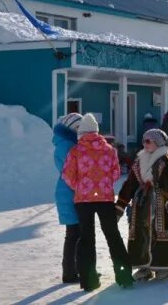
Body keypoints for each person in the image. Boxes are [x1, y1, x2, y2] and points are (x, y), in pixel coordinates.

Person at [62, 113, 133, 291]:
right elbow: (116, 173)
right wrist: (104, 184)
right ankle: (124, 276)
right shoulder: (109, 150)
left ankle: (88, 281)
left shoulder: (75, 151)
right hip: (105, 199)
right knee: (113, 236)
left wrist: (80, 186)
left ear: (81, 133)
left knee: (86, 239)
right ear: (97, 131)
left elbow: (67, 176)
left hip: (83, 201)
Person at [115, 129, 168, 281]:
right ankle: (144, 267)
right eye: (144, 141)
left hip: (161, 204)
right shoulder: (139, 161)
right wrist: (120, 205)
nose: (145, 144)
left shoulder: (167, 160)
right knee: (140, 233)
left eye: (149, 141)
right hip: (142, 204)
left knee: (160, 233)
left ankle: (163, 266)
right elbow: (130, 184)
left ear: (158, 143)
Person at [53, 113, 83, 284]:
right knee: (73, 234)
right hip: (69, 193)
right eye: (78, 128)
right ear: (72, 128)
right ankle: (70, 273)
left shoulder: (68, 142)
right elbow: (71, 171)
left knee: (77, 233)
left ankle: (77, 268)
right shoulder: (66, 145)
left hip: (70, 191)